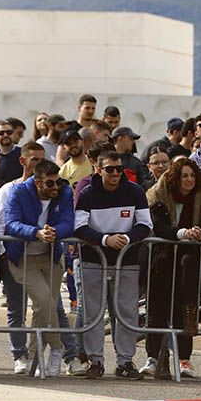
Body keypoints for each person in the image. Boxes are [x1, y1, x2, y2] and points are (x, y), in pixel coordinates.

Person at [73, 148, 153, 379]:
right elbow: (79, 226)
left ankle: (125, 361)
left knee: (127, 313)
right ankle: (95, 360)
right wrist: (105, 239)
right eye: (109, 169)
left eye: (119, 169)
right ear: (98, 170)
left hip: (126, 260)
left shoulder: (135, 192)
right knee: (93, 313)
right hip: (92, 260)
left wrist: (127, 238)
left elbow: (145, 224)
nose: (115, 173)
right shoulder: (87, 194)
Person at [141, 158, 201, 379]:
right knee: (158, 308)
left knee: (184, 307)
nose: (189, 180)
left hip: (189, 258)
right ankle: (155, 358)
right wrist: (182, 233)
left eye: (192, 175)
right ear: (175, 178)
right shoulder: (159, 193)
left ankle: (184, 359)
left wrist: (199, 234)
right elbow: (159, 225)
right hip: (161, 255)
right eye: (184, 176)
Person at [3, 159, 74, 377]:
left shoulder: (64, 192)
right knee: (45, 301)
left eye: (58, 182)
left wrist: (54, 232)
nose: (56, 188)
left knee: (45, 308)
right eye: (50, 184)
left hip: (51, 256)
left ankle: (35, 359)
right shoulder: (18, 192)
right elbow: (11, 223)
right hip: (23, 257)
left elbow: (68, 222)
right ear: (37, 182)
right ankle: (57, 347)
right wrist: (36, 232)